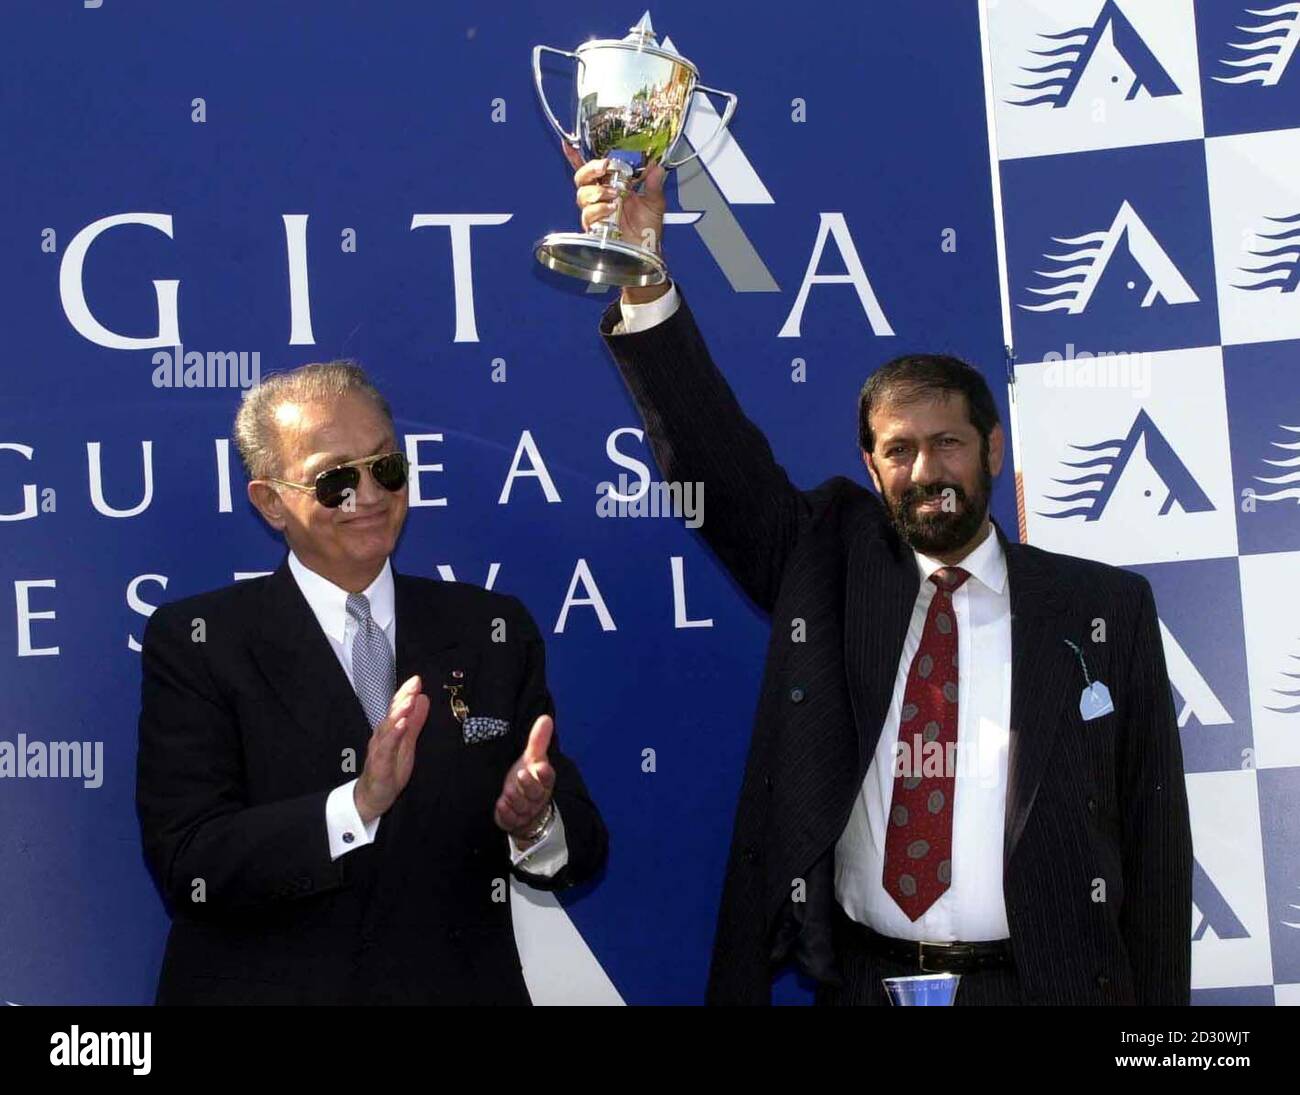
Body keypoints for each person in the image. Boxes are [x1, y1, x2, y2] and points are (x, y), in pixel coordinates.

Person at [566, 149, 1191, 1006]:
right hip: (867, 981)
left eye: (949, 443)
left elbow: (1156, 854)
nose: (925, 467)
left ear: (994, 453)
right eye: (899, 449)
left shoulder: (1103, 609)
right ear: (870, 465)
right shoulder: (827, 562)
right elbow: (716, 458)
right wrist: (644, 278)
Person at [136, 361, 606, 1004]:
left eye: (386, 468)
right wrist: (356, 806)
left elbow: (581, 845)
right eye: (335, 480)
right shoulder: (199, 642)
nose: (371, 495)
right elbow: (192, 862)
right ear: (270, 501)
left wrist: (534, 823)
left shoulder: (489, 628)